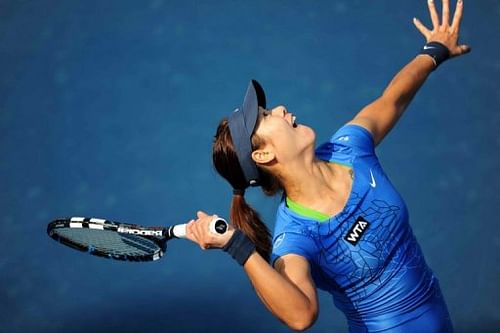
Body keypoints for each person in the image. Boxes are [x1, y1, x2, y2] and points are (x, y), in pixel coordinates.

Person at [186, 0, 470, 332]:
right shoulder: (295, 236)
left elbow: (392, 98)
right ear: (261, 156)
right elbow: (301, 315)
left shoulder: (349, 148)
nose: (279, 109)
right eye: (266, 118)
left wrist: (434, 51)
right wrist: (236, 245)